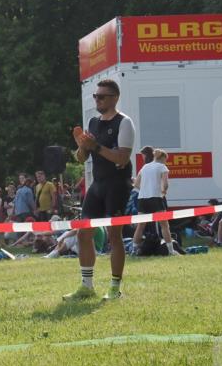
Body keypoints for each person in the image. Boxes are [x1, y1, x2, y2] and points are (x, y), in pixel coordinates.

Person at [66, 78, 135, 301]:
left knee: (114, 236)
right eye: (96, 96)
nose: (97, 100)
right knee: (83, 233)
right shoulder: (93, 123)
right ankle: (87, 286)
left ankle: (115, 287)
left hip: (118, 185)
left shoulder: (124, 122)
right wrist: (81, 146)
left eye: (102, 96)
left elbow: (122, 158)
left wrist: (94, 146)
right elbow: (81, 158)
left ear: (115, 98)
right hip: (97, 184)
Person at [132, 149, 174, 254]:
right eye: (165, 160)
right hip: (156, 198)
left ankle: (133, 249)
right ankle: (171, 250)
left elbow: (136, 184)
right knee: (164, 225)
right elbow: (165, 184)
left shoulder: (145, 167)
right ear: (163, 158)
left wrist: (145, 189)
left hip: (142, 199)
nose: (165, 162)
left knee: (140, 226)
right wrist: (163, 192)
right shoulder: (162, 167)